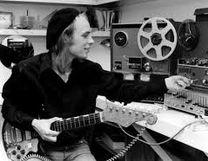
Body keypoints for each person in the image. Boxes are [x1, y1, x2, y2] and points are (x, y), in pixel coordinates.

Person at [1, 8, 192, 161]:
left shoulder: (90, 71)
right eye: (85, 35)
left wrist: (164, 84)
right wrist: (35, 123)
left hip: (78, 148)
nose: (91, 41)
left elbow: (121, 89)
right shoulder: (27, 71)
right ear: (65, 37)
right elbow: (8, 109)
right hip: (35, 148)